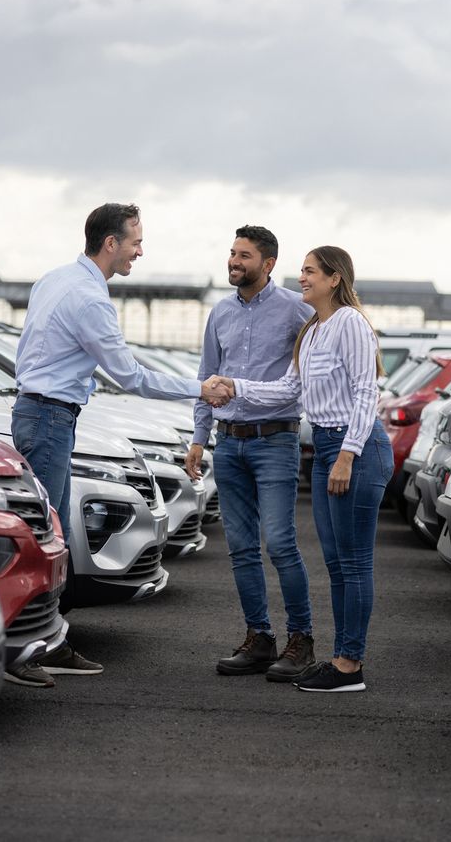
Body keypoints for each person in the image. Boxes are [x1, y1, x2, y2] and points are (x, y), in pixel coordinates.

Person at [11, 202, 230, 687]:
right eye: (135, 241)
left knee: (54, 537)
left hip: (39, 413)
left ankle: (49, 640)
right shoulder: (91, 299)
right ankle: (24, 649)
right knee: (45, 540)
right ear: (110, 243)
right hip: (49, 418)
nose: (139, 250)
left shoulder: (52, 279)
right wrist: (200, 387)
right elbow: (129, 375)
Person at [209, 246, 392, 693]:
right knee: (335, 563)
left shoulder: (349, 323)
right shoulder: (312, 331)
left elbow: (367, 393)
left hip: (357, 446)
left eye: (309, 272)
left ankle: (350, 664)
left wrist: (347, 454)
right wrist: (234, 387)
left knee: (354, 564)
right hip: (329, 446)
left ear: (334, 279)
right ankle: (340, 657)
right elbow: (286, 389)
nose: (302, 278)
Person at [187, 225, 316, 682]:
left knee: (280, 544)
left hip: (276, 440)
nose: (234, 262)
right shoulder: (220, 312)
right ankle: (259, 639)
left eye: (244, 255)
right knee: (241, 549)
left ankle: (301, 640)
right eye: (232, 253)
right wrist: (199, 438)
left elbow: (312, 370)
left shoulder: (296, 310)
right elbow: (207, 376)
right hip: (229, 443)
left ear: (268, 264)